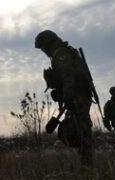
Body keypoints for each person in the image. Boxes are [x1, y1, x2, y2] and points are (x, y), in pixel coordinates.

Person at [35, 30, 94, 165]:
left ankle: (87, 162)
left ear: (48, 44)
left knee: (81, 128)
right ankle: (85, 159)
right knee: (79, 126)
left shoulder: (60, 53)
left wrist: (67, 96)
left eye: (43, 47)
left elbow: (68, 76)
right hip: (78, 94)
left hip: (77, 95)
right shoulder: (63, 52)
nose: (44, 51)